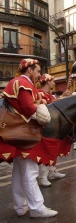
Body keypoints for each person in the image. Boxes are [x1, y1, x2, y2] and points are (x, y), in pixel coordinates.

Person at [1, 59, 57, 218]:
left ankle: (21, 206)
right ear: (30, 70)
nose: (39, 75)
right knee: (30, 171)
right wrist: (42, 111)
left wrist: (39, 100)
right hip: (24, 133)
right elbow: (28, 108)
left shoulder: (17, 82)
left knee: (19, 172)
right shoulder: (22, 82)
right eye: (38, 71)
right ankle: (37, 207)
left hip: (16, 132)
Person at [36, 74, 66, 187]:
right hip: (43, 128)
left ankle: (52, 171)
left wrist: (63, 97)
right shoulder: (39, 93)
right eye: (52, 80)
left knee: (53, 150)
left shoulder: (49, 95)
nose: (54, 82)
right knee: (44, 151)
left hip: (51, 127)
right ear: (48, 82)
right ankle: (42, 176)